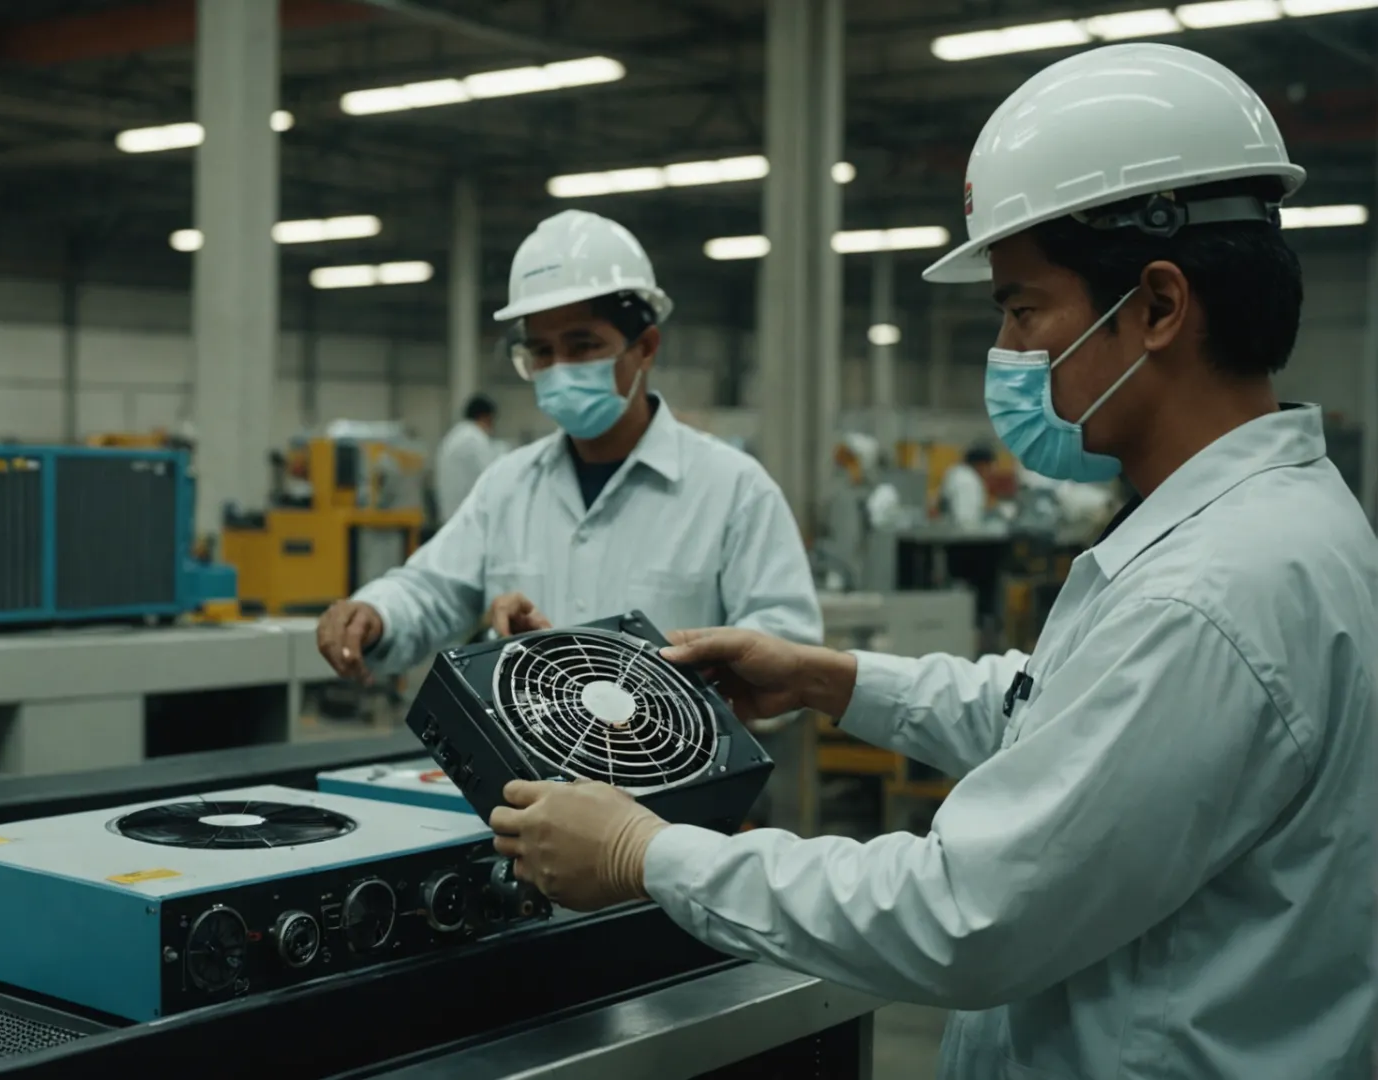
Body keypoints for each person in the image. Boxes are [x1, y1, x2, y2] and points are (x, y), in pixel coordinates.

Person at [489, 43, 1376, 1079]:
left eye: (1019, 307)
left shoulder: (1213, 592)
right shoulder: (1264, 531)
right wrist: (828, 678)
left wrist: (647, 852)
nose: (1005, 349)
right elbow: (1054, 718)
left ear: (1157, 306)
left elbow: (966, 913)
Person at [316, 208, 822, 683]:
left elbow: (785, 650)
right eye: (541, 351)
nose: (559, 368)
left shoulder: (732, 489)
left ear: (645, 347)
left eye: (583, 346)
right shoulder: (508, 486)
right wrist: (376, 613)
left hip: (673, 773)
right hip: (526, 774)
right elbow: (431, 591)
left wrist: (681, 688)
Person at [432, 394, 502, 524]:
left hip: (450, 516)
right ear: (486, 416)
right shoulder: (474, 439)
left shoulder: (455, 436)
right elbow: (492, 476)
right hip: (468, 520)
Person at [938, 443, 994, 528]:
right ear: (981, 464)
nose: (990, 472)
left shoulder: (956, 472)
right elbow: (966, 520)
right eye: (989, 467)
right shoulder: (968, 481)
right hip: (962, 536)